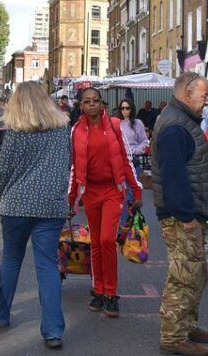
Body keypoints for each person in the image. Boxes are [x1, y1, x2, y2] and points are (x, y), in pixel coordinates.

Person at [0, 82, 71, 349]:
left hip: (16, 206)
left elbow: (2, 173)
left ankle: (2, 312)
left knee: (12, 260)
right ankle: (53, 330)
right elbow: (66, 165)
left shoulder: (16, 133)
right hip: (50, 207)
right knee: (48, 266)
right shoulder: (62, 131)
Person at [152, 72, 208, 356]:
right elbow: (174, 178)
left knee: (195, 274)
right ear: (186, 93)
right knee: (183, 276)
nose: (207, 99)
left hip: (189, 214)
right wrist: (187, 217)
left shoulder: (181, 122)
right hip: (181, 217)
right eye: (203, 95)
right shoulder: (175, 127)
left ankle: (187, 324)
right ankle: (173, 336)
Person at [68, 87, 143, 318]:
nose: (92, 105)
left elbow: (126, 159)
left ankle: (111, 293)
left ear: (102, 103)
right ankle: (98, 290)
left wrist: (136, 190)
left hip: (112, 191)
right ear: (81, 105)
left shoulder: (115, 126)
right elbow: (74, 167)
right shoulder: (76, 131)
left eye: (96, 101)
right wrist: (70, 201)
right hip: (90, 192)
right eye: (87, 101)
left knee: (107, 239)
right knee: (96, 244)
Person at [116, 98, 150, 225]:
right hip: (119, 162)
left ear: (132, 109)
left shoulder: (138, 123)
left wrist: (134, 150)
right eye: (122, 108)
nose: (125, 111)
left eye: (127, 108)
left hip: (133, 161)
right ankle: (126, 221)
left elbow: (144, 141)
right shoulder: (116, 123)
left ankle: (127, 221)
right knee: (121, 194)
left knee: (132, 193)